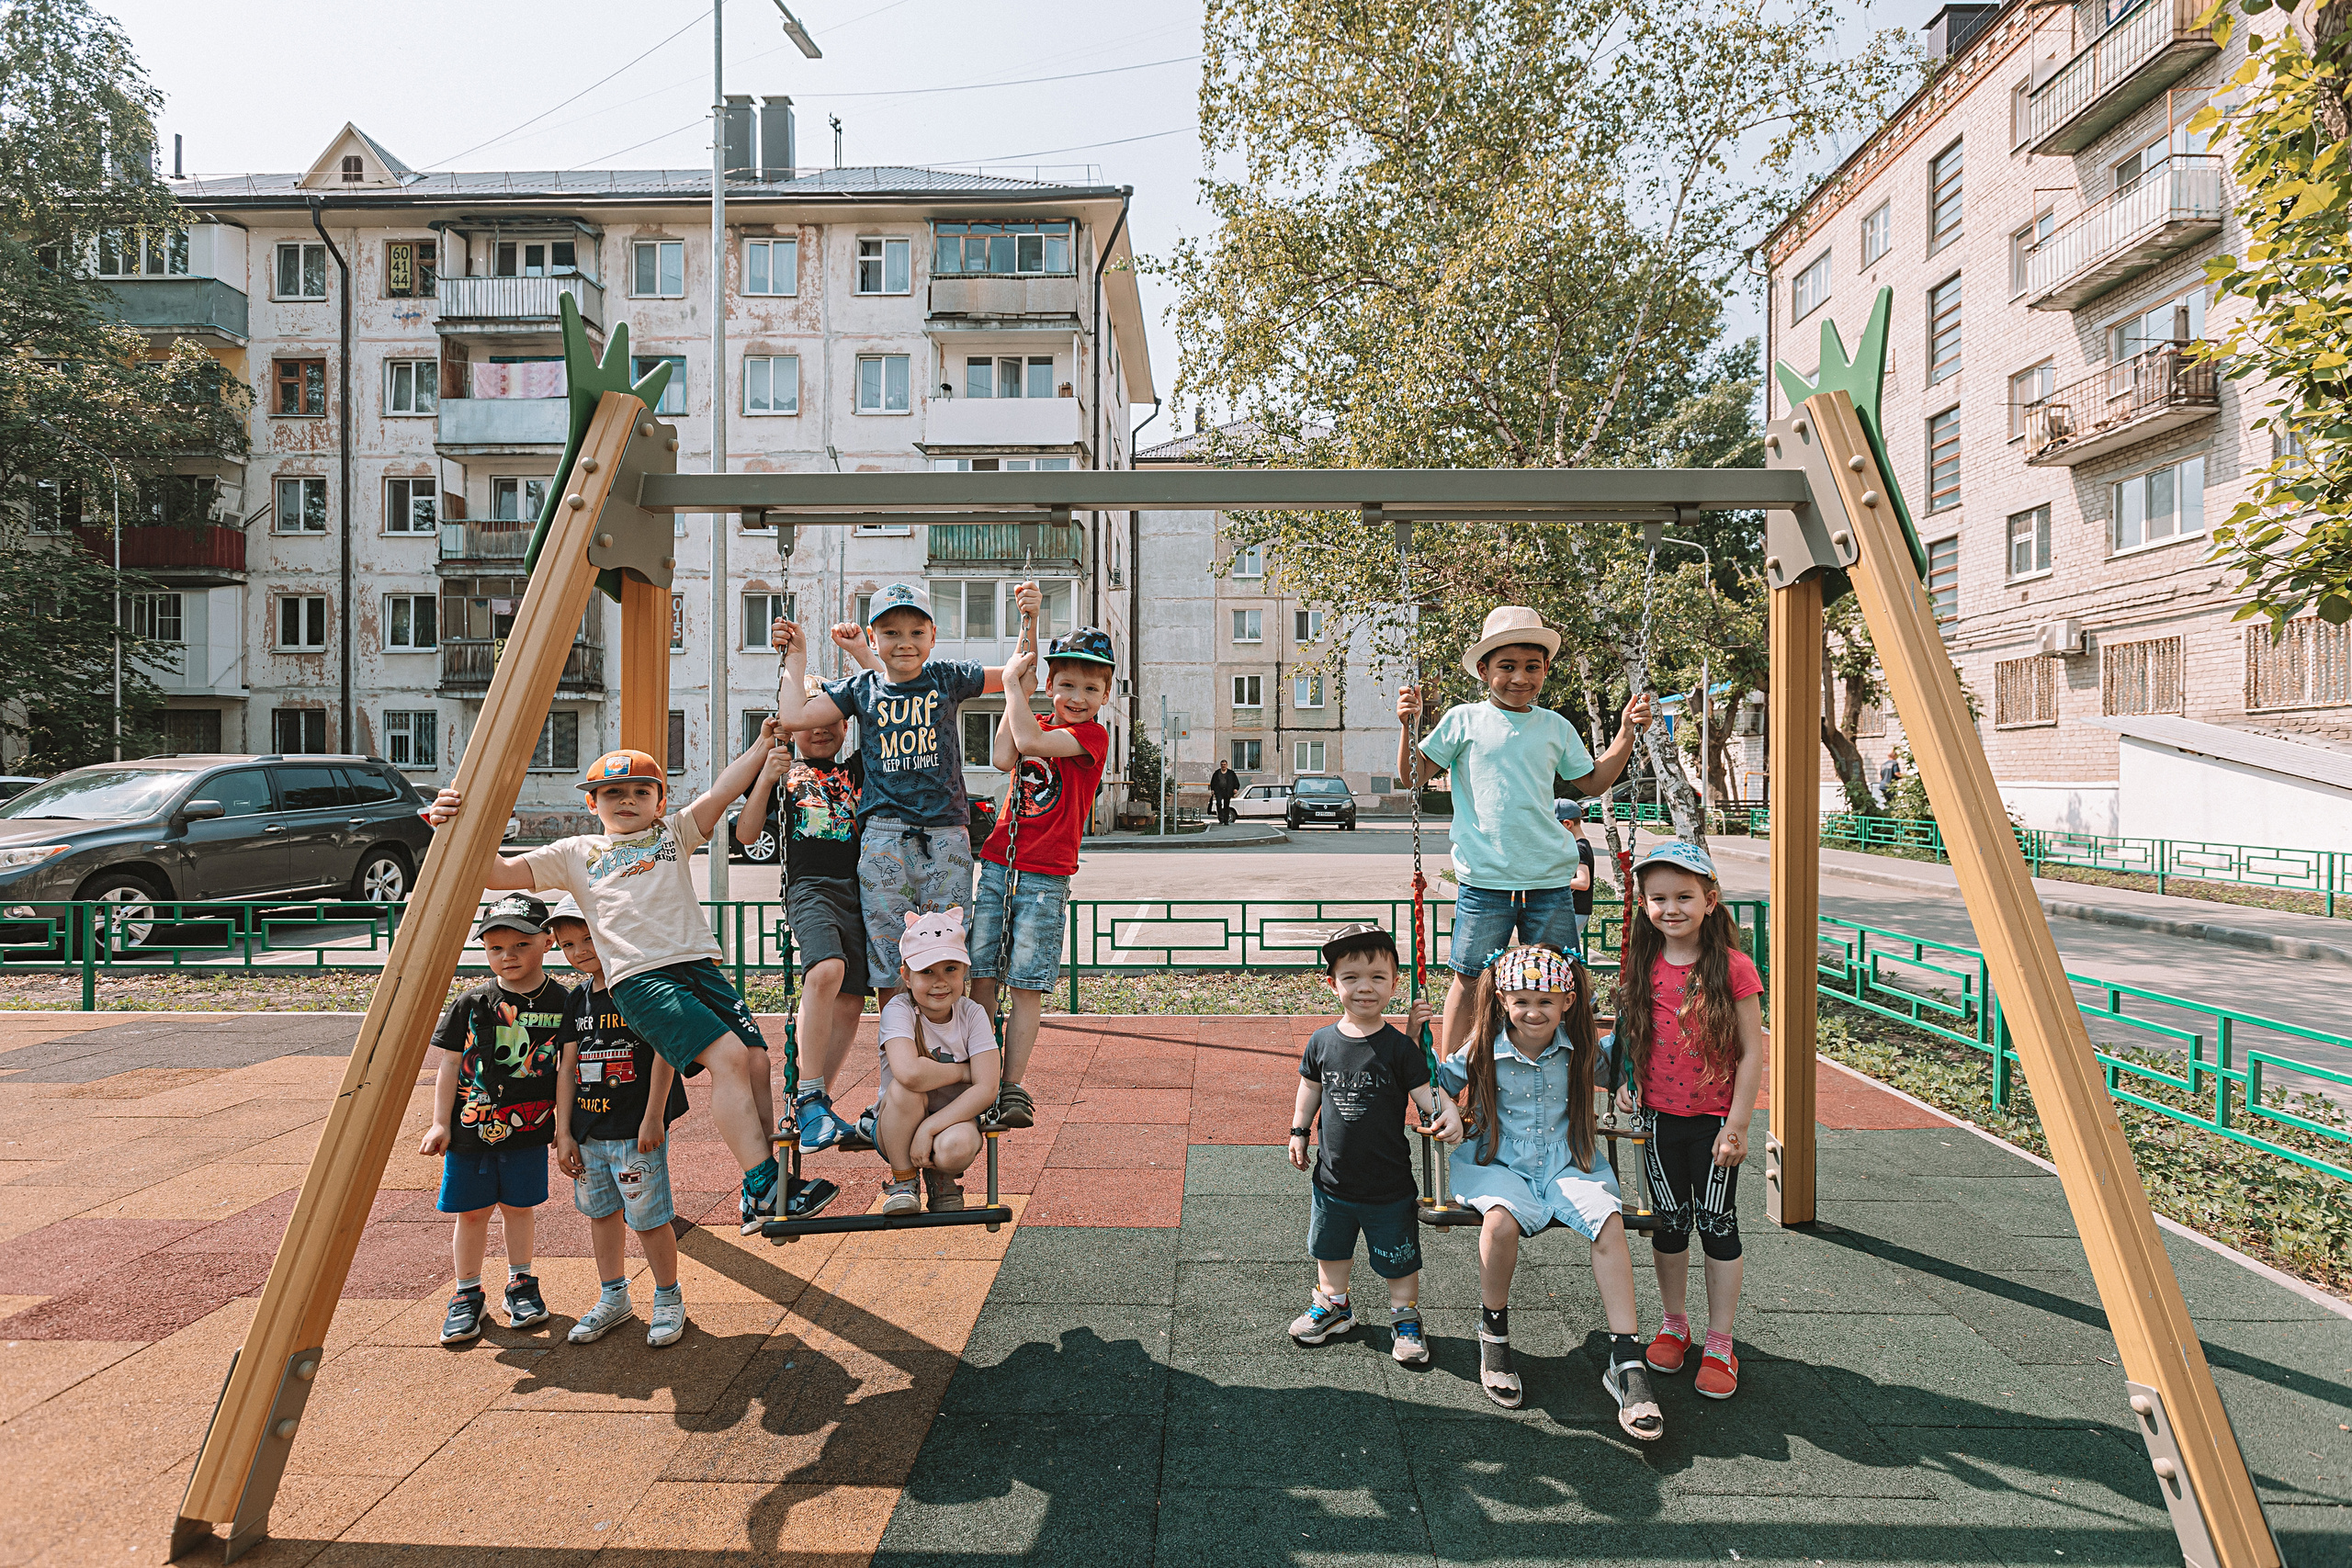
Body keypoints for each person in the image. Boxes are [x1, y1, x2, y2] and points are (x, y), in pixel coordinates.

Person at [423, 726, 828, 1238]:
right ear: (594, 804)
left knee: (753, 1060)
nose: (628, 800)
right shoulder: (577, 853)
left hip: (698, 965)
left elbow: (723, 791)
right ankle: (766, 1182)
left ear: (660, 800)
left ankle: (757, 1190)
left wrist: (760, 746)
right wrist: (448, 828)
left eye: (641, 791)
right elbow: (495, 873)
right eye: (614, 793)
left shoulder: (673, 834)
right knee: (725, 1058)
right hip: (640, 977)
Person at [1396, 604, 1654, 1056]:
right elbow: (1413, 777)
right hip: (1484, 880)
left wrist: (1628, 734)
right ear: (1484, 670)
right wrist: (1407, 727)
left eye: (1532, 667)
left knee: (1559, 980)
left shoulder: (1555, 726)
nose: (1520, 677)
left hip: (1549, 881)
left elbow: (1591, 780)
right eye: (1507, 667)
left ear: (1546, 669)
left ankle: (1569, 1078)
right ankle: (1451, 1080)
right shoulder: (1463, 720)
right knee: (1470, 977)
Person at [1434, 943, 1662, 1439]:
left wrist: (1626, 1081)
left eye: (1546, 1000)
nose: (1532, 1012)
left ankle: (1626, 1356)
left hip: (1566, 1159)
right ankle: (1493, 1328)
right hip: (1497, 1160)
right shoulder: (1481, 1047)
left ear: (1568, 1003)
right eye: (1520, 1001)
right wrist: (1448, 1108)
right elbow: (1437, 1081)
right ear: (1501, 1000)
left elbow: (1621, 1071)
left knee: (1609, 1222)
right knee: (1499, 1221)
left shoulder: (1583, 1049)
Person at [770, 583, 1011, 1016]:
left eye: (916, 632)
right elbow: (794, 717)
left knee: (947, 949)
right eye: (891, 633)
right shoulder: (861, 688)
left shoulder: (948, 678)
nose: (905, 643)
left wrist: (1027, 616)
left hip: (945, 834)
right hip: (885, 835)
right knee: (889, 953)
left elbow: (1017, 675)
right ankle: (898, 1058)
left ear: (933, 637)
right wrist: (796, 657)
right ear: (873, 637)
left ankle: (947, 1055)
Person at [1611, 840, 1766, 1402]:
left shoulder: (1731, 967)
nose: (1670, 908)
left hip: (1713, 1121)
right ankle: (1675, 1322)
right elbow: (1635, 1033)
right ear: (1644, 905)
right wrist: (1628, 1078)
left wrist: (1739, 1124)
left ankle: (1720, 1339)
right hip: (1658, 1119)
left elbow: (1752, 1052)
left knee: (1718, 1227)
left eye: (1683, 896)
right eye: (1657, 898)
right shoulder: (1644, 964)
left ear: (1710, 900)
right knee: (1669, 1225)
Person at [1285, 925, 1463, 1365]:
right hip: (1333, 1181)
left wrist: (1448, 1110)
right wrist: (1299, 1130)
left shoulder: (1400, 1048)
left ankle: (1404, 1315)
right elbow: (1310, 1089)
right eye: (1351, 977)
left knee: (1399, 1258)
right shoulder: (1322, 1041)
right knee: (1330, 1250)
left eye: (1378, 978)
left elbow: (1426, 1094)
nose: (1365, 987)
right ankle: (1334, 1305)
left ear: (1395, 983)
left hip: (1388, 1185)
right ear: (1333, 983)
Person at [967, 624, 1114, 1132]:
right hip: (997, 864)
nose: (1077, 697)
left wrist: (1012, 687)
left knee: (1025, 983)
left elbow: (1029, 740)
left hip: (1046, 875)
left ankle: (1010, 1083)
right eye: (1067, 685)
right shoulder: (1038, 714)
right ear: (1051, 684)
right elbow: (1004, 755)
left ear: (1105, 695)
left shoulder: (1091, 736)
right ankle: (979, 1076)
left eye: (1090, 689)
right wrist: (1020, 687)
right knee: (982, 974)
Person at [421, 893, 571, 1347]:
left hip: (528, 1129)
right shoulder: (472, 1002)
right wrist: (440, 1123)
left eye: (521, 945)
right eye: (496, 948)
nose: (508, 956)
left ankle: (521, 1282)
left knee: (519, 1208)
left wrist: (563, 1132)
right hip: (470, 1128)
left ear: (546, 942)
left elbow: (566, 1071)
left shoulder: (563, 1001)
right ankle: (467, 1292)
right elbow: (449, 1065)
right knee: (470, 1214)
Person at [548, 896, 695, 1349]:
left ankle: (668, 1297)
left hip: (636, 1132)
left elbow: (665, 1052)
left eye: (589, 937)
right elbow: (568, 1064)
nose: (579, 951)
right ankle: (614, 1295)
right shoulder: (577, 999)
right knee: (601, 1214)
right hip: (590, 1133)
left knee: (649, 1218)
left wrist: (655, 1117)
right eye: (568, 943)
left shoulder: (639, 988)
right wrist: (564, 1130)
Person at [740, 691, 871, 1154]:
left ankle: (816, 1100)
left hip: (857, 890)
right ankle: (809, 1095)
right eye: (808, 720)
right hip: (810, 886)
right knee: (827, 971)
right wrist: (765, 778)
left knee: (852, 1000)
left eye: (830, 720)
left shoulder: (858, 769)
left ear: (846, 726)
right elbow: (747, 833)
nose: (819, 729)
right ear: (791, 727)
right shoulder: (782, 772)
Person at [874, 908, 1002, 1215]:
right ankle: (903, 1179)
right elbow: (910, 1073)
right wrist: (962, 1072)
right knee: (907, 1089)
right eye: (927, 972)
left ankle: (941, 1175)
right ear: (907, 976)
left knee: (956, 1147)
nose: (940, 982)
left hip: (952, 1121)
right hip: (895, 1128)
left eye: (950, 969)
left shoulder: (972, 1014)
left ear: (964, 972)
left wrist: (930, 1128)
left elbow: (987, 1088)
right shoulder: (899, 1010)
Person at [1555, 798, 1598, 955]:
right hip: (1578, 909)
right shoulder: (1582, 845)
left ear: (1567, 824)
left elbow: (1583, 882)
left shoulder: (1579, 848)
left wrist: (1554, 880)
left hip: (1576, 909)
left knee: (1567, 953)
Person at [1209, 761, 1239, 826]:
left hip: (1227, 791)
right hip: (1219, 791)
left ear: (1227, 765)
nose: (1223, 766)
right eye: (1222, 764)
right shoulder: (1217, 773)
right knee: (1219, 803)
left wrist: (1236, 788)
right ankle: (1221, 819)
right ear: (1220, 765)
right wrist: (1212, 789)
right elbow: (1213, 782)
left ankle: (1226, 820)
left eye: (1224, 764)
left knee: (1226, 805)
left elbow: (1236, 781)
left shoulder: (1231, 773)